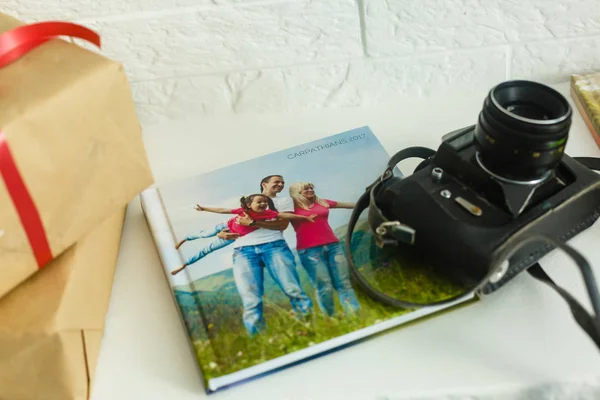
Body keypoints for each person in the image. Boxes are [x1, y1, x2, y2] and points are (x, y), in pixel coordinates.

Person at [215, 175, 314, 336]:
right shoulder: (249, 201)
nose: (281, 184)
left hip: (274, 246)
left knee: (292, 289)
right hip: (243, 251)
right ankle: (259, 341)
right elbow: (232, 223)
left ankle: (309, 328)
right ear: (264, 184)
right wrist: (221, 234)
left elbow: (282, 224)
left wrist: (254, 223)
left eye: (283, 182)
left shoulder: (284, 201)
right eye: (277, 181)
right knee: (251, 299)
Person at [171, 194, 316, 276]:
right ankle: (185, 238)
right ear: (249, 204)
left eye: (265, 202)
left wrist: (305, 218)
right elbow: (222, 210)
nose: (263, 204)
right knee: (204, 234)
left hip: (234, 235)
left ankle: (184, 265)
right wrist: (204, 208)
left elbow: (285, 215)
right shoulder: (241, 211)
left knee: (208, 249)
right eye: (259, 202)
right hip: (224, 226)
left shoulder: (268, 213)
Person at [288, 181, 361, 317]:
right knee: (324, 286)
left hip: (333, 247)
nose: (310, 189)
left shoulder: (322, 202)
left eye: (311, 187)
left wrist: (369, 201)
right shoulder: (290, 208)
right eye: (305, 189)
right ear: (296, 193)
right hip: (309, 251)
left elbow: (347, 205)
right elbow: (275, 217)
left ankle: (354, 315)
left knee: (343, 283)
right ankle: (330, 317)